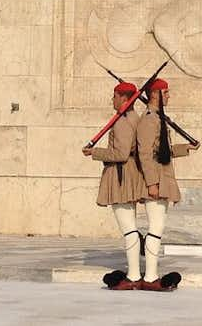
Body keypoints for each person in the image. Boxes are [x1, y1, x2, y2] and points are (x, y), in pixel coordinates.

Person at [82, 82, 148, 290]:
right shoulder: (135, 118)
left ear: (123, 98)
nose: (112, 100)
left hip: (121, 175)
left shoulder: (122, 122)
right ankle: (136, 271)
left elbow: (119, 154)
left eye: (115, 96)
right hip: (129, 173)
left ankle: (134, 275)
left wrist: (95, 153)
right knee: (130, 227)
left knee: (128, 230)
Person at [136, 78, 200, 291]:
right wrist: (152, 183)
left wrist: (186, 148)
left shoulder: (157, 118)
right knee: (155, 228)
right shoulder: (148, 120)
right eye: (165, 92)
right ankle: (151, 277)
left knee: (158, 228)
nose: (168, 96)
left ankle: (151, 274)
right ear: (154, 95)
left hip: (163, 178)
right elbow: (145, 154)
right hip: (156, 180)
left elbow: (162, 150)